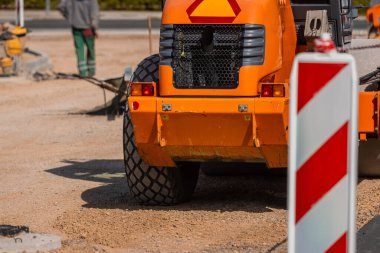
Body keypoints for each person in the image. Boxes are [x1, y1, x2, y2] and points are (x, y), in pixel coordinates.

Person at [58, 0, 100, 77]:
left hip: (76, 27)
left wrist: (69, 16)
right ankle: (91, 71)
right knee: (90, 49)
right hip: (88, 29)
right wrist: (95, 28)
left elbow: (61, 6)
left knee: (79, 49)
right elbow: (95, 14)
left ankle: (82, 72)